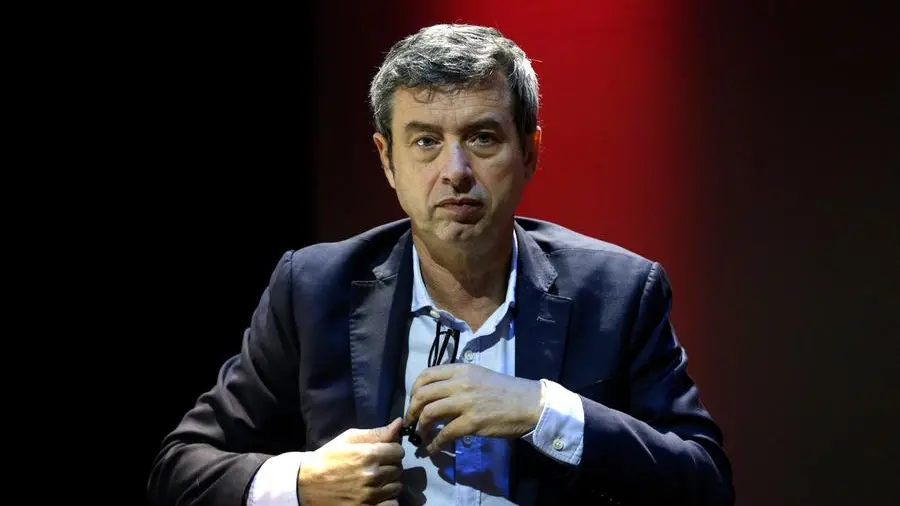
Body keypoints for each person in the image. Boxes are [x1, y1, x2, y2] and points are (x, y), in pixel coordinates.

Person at [147, 23, 734, 506]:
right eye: (425, 141)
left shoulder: (617, 293)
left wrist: (544, 411)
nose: (455, 171)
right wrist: (302, 483)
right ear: (387, 160)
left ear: (530, 151)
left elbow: (705, 483)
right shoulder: (313, 289)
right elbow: (179, 471)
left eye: (482, 138)